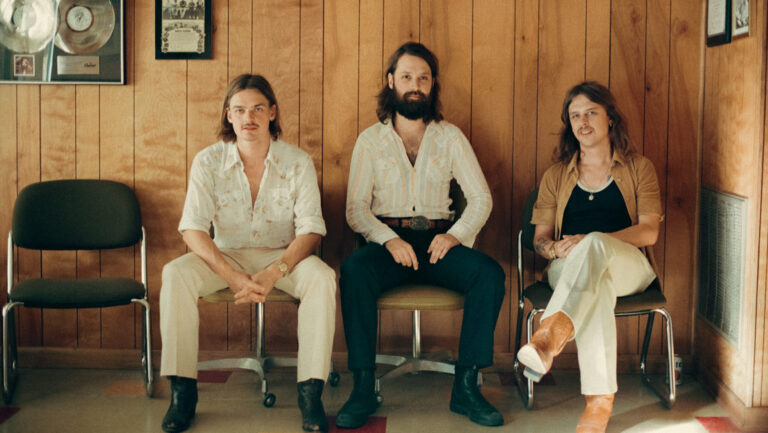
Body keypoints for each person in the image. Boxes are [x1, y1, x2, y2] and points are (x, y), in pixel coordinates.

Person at [338, 42, 506, 429]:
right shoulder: (370, 141)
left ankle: (466, 387)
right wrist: (387, 239)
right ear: (391, 82)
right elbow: (356, 209)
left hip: (438, 243)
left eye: (423, 78)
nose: (416, 85)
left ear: (433, 86)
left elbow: (481, 197)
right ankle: (363, 386)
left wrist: (457, 235)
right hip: (387, 243)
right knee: (353, 271)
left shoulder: (450, 137)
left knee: (489, 275)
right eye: (407, 77)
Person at [159, 74, 336, 433]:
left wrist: (276, 271)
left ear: (272, 112)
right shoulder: (207, 161)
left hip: (284, 257)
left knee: (323, 278)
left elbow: (312, 230)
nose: (248, 117)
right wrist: (231, 275)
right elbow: (192, 228)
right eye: (239, 110)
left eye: (257, 108)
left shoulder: (298, 161)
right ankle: (183, 395)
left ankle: (310, 395)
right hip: (226, 256)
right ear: (228, 116)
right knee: (175, 273)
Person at [516, 81, 662, 433]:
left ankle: (549, 336)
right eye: (575, 115)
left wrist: (593, 240)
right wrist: (553, 249)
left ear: (610, 117)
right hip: (566, 269)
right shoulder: (556, 175)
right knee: (597, 289)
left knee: (595, 247)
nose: (583, 122)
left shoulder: (639, 168)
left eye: (591, 113)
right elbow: (539, 239)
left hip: (629, 265)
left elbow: (648, 232)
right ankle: (598, 404)